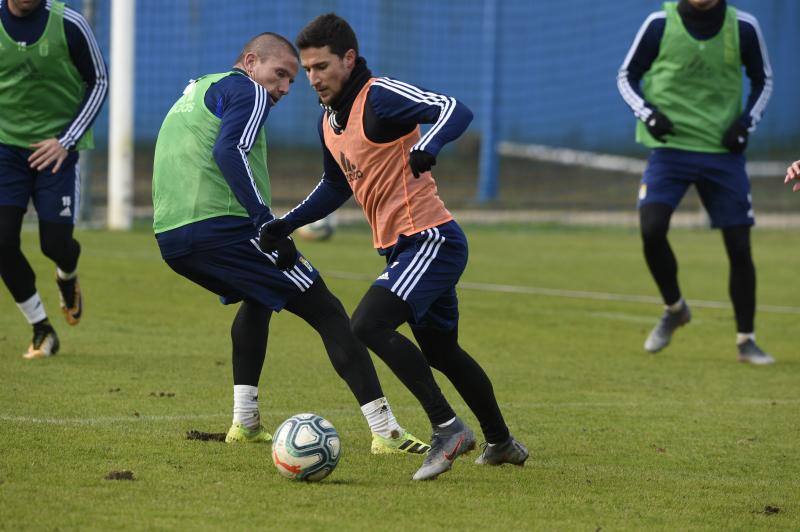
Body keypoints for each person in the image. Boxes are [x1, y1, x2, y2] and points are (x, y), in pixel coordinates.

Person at [260, 14, 528, 481]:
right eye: (306, 70)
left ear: (348, 59)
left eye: (321, 67)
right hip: (403, 249)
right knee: (443, 353)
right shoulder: (329, 120)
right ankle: (502, 443)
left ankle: (448, 428)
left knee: (366, 323)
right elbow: (334, 185)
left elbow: (452, 108)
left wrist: (431, 144)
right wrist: (286, 223)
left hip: (431, 240)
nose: (313, 79)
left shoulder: (379, 96)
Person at [151, 33, 429, 455]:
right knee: (329, 311)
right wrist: (266, 223)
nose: (283, 88)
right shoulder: (248, 90)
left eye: (291, 81)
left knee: (258, 299)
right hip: (222, 227)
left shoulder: (201, 87)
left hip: (172, 236)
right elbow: (231, 151)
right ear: (249, 61)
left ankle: (245, 423)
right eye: (279, 74)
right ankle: (386, 433)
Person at [617, 0, 774, 364]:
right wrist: (649, 114)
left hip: (723, 153)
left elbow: (763, 79)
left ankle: (746, 340)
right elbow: (626, 76)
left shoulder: (744, 27)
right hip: (670, 150)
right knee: (652, 228)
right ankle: (675, 308)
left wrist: (745, 123)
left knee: (739, 245)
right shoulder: (659, 23)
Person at [0, 0, 107, 359]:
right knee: (2, 243)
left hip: (56, 151)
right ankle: (42, 328)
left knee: (55, 244)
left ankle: (67, 275)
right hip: (5, 151)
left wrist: (66, 140)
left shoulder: (69, 23)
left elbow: (100, 81)